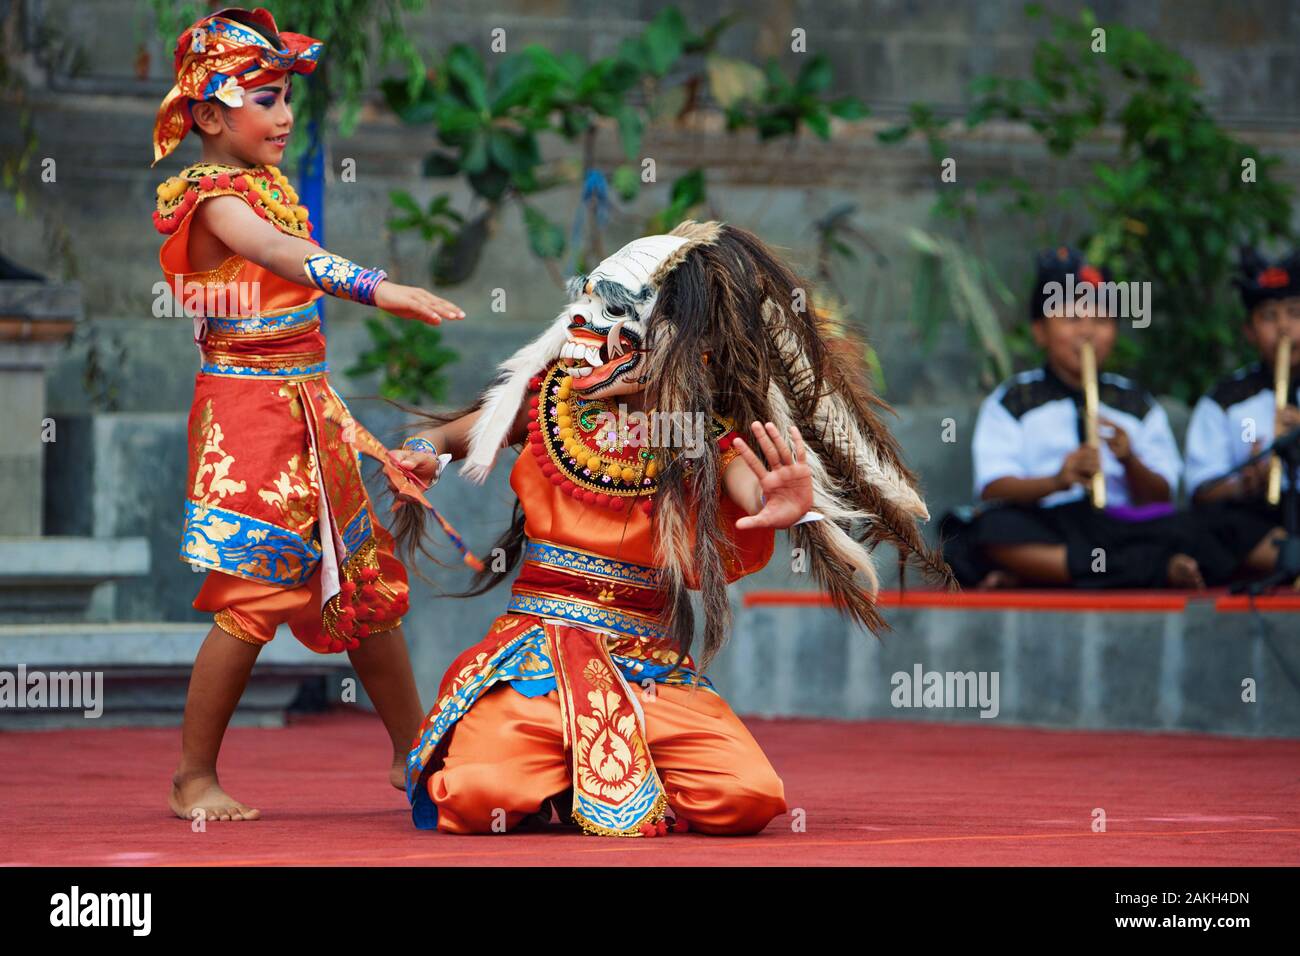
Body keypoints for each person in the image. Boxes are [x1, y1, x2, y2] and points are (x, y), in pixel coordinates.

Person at [389, 221, 950, 836]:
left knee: (747, 798)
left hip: (645, 667)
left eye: (617, 316)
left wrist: (789, 505)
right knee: (475, 796)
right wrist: (422, 450)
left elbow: (751, 489)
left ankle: (595, 764)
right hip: (534, 661)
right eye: (590, 304)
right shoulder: (547, 399)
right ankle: (568, 760)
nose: (587, 327)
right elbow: (455, 433)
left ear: (689, 347)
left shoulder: (705, 439)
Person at [153, 7, 464, 822]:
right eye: (265, 98)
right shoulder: (212, 200)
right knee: (252, 600)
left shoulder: (263, 183)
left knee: (361, 584)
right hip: (250, 417)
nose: (285, 115)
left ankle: (410, 750)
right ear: (211, 115)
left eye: (287, 97)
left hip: (309, 408)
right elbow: (280, 255)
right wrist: (376, 285)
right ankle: (193, 775)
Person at [942, 246, 1223, 589]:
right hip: (1048, 521)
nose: (1087, 332)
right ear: (1039, 331)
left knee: (1203, 528)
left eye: (1101, 320)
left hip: (1117, 525)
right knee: (981, 532)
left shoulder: (1136, 403)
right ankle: (1148, 570)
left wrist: (1130, 459)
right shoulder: (1013, 400)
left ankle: (1040, 575)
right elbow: (993, 487)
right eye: (1072, 319)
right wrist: (1058, 481)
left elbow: (1160, 497)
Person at [1183, 247, 1300, 581]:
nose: (1283, 328)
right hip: (1260, 520)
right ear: (1249, 331)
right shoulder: (1227, 400)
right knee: (1203, 526)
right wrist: (1245, 484)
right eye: (1268, 317)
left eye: (1294, 313)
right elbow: (1202, 490)